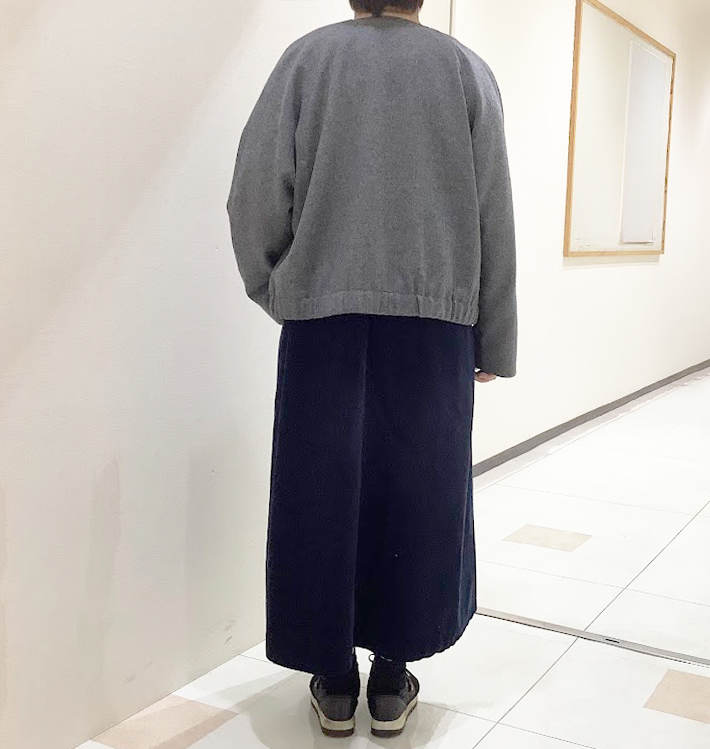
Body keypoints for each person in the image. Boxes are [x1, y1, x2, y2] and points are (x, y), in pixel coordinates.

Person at [226, 0, 517, 738]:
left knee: (316, 494)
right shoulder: (465, 71)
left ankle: (332, 680)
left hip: (323, 324)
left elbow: (254, 192)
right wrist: (493, 339)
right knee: (420, 494)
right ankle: (391, 678)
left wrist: (280, 288)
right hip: (436, 328)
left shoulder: (307, 60)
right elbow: (493, 214)